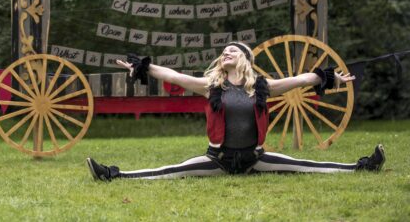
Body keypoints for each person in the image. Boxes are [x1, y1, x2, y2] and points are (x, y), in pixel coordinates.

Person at [86, 42, 385, 181]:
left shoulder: (263, 87)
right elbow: (174, 76)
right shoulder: (211, 86)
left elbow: (303, 79)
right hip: (218, 160)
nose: (225, 53)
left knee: (307, 165)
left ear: (245, 59)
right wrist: (142, 67)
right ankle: (112, 174)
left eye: (232, 50)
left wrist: (331, 78)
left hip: (256, 159)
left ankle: (364, 166)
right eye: (224, 52)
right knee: (170, 171)